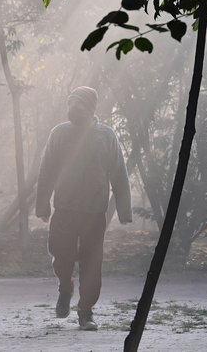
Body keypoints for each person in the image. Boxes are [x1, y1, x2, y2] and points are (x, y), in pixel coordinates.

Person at [36, 86, 132, 331]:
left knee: (91, 264)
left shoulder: (106, 136)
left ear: (91, 108)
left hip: (94, 212)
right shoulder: (59, 133)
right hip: (64, 208)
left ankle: (86, 312)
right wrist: (42, 204)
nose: (73, 108)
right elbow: (47, 170)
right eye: (71, 103)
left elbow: (119, 173)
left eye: (79, 104)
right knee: (60, 255)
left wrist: (124, 210)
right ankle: (65, 288)